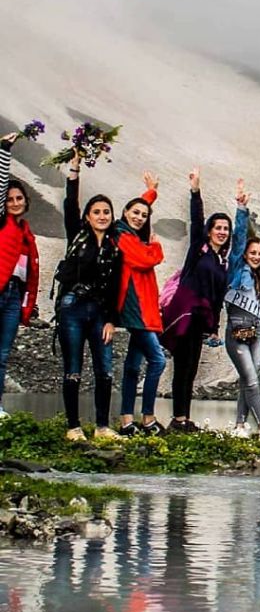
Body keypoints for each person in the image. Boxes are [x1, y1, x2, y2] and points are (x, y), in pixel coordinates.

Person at [56, 152, 122, 440]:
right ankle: (73, 427)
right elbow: (70, 204)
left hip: (99, 311)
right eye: (96, 212)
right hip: (72, 306)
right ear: (87, 217)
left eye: (106, 212)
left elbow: (116, 286)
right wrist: (74, 168)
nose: (102, 216)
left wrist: (112, 321)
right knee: (73, 368)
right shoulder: (77, 235)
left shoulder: (115, 247)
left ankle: (103, 426)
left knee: (104, 368)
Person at [161, 168, 232, 433]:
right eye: (218, 228)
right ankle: (179, 418)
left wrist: (214, 327)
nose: (222, 232)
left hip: (201, 318)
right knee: (182, 366)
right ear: (210, 230)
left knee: (191, 368)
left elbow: (218, 298)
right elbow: (195, 220)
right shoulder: (198, 250)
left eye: (226, 229)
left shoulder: (222, 262)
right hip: (186, 313)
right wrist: (195, 192)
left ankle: (184, 417)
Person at [223, 180, 260, 443]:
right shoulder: (236, 269)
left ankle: (240, 425)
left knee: (249, 380)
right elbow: (239, 238)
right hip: (235, 332)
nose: (256, 256)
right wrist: (241, 209)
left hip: (256, 334)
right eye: (253, 253)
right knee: (252, 381)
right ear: (245, 255)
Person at [114, 172, 165, 436]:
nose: (139, 218)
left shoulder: (128, 233)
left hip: (142, 308)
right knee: (157, 360)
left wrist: (150, 193)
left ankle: (126, 421)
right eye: (135, 213)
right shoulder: (123, 236)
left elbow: (139, 208)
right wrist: (156, 246)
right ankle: (147, 418)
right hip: (136, 309)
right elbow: (144, 259)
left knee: (133, 365)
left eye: (144, 215)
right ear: (124, 212)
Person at [0, 133, 39, 421]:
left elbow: (29, 277)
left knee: (2, 354)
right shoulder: (2, 223)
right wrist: (4, 151)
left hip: (13, 296)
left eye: (19, 198)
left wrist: (27, 305)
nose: (14, 202)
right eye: (10, 199)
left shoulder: (27, 234)